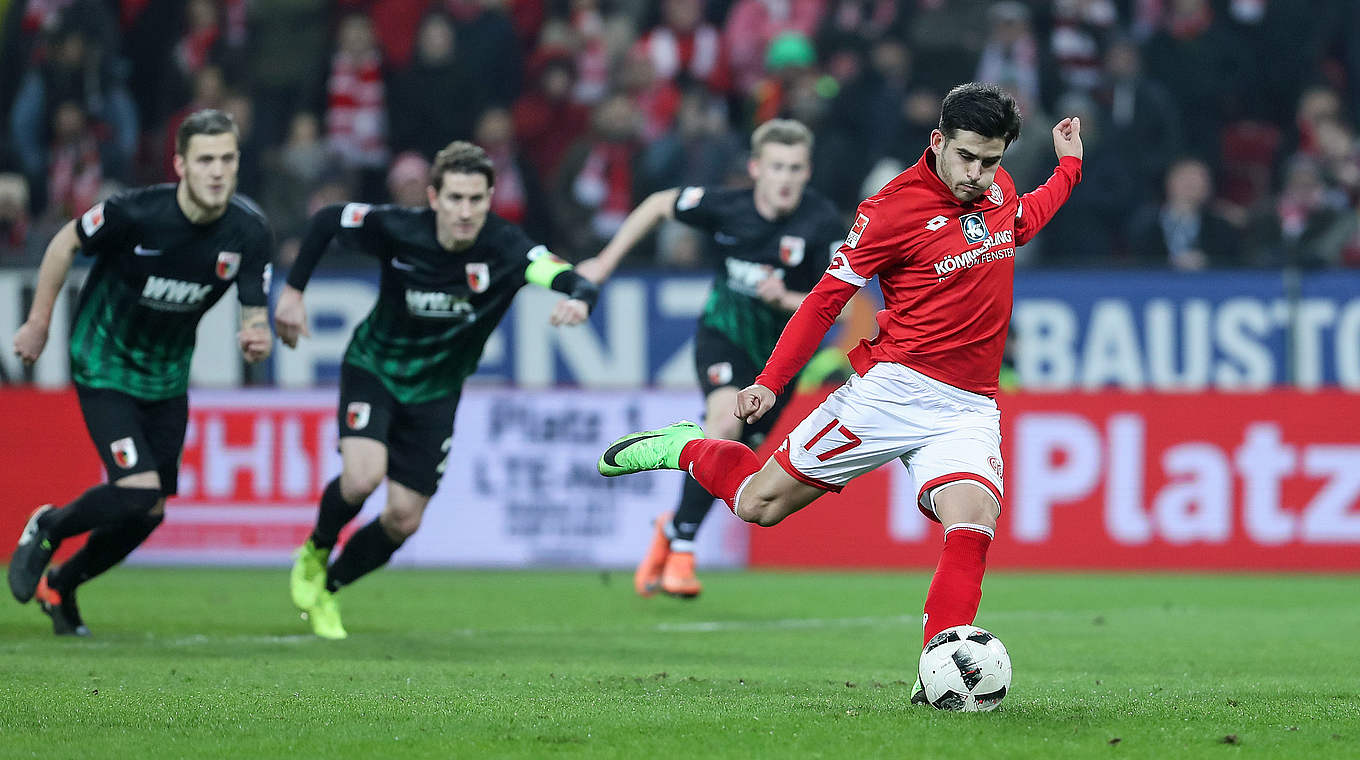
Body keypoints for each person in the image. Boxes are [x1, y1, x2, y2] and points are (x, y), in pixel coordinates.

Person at [597, 83, 1083, 699]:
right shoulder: (888, 211)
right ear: (937, 142)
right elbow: (826, 302)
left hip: (968, 406)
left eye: (991, 161)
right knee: (756, 505)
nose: (978, 174)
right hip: (890, 392)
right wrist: (771, 382)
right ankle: (687, 448)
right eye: (966, 157)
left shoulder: (996, 188)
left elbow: (1022, 221)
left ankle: (943, 672)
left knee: (974, 521)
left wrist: (1069, 166)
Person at [276, 141, 598, 639]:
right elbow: (327, 221)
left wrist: (577, 298)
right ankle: (315, 549)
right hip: (375, 370)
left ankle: (328, 587)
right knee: (362, 478)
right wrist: (293, 293)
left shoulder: (507, 249)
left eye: (476, 199)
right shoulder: (398, 228)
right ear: (434, 197)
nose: (465, 211)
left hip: (436, 394)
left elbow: (566, 276)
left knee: (404, 519)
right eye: (455, 198)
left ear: (491, 198)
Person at [8, 109, 273, 636]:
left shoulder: (248, 231)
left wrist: (258, 334)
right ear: (180, 165)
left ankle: (63, 584)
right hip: (103, 361)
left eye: (227, 159)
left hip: (167, 378)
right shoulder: (135, 213)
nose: (217, 172)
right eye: (205, 161)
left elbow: (253, 309)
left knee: (149, 511)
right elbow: (65, 242)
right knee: (134, 489)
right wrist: (39, 322)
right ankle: (48, 526)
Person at [577, 119, 844, 599]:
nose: (786, 178)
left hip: (781, 363)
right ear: (757, 168)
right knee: (723, 425)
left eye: (796, 168)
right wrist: (604, 261)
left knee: (739, 464)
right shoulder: (728, 206)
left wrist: (785, 298)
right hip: (723, 337)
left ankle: (673, 528)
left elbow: (841, 301)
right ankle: (682, 551)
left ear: (807, 173)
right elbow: (659, 203)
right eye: (777, 166)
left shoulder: (822, 224)